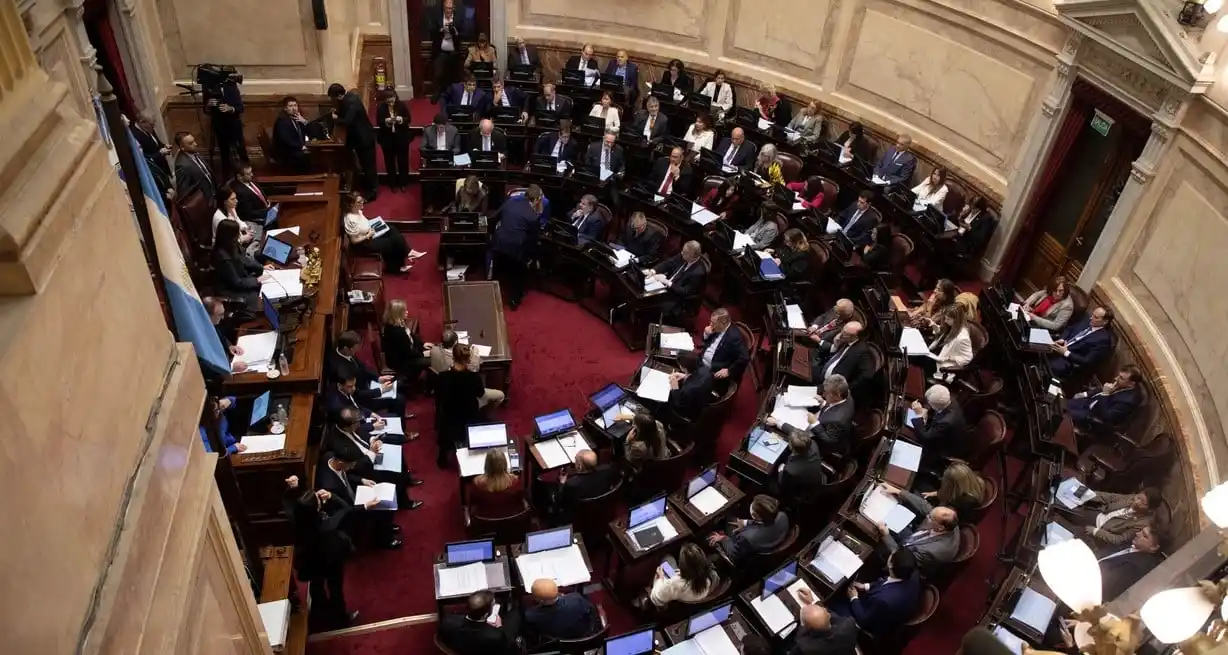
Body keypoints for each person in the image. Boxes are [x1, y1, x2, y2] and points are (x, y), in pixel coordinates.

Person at [284, 475, 357, 628]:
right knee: (335, 588)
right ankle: (340, 618)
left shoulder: (296, 518)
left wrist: (295, 489)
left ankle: (320, 614)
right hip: (329, 560)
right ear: (317, 508)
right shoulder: (327, 526)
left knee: (316, 586)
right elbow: (346, 509)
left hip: (309, 561)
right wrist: (333, 496)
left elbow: (290, 502)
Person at [316, 449, 405, 548]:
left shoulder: (331, 457)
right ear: (341, 462)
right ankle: (384, 540)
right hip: (348, 511)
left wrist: (362, 480)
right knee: (383, 507)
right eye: (351, 465)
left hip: (352, 494)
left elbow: (347, 475)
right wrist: (365, 506)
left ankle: (385, 527)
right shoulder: (329, 485)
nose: (352, 467)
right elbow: (344, 510)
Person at [831, 548, 921, 634]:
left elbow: (864, 620)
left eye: (892, 554)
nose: (891, 553)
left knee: (833, 603)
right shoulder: (912, 572)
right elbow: (888, 579)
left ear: (891, 564)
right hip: (880, 604)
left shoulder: (884, 599)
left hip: (869, 619)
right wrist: (866, 586)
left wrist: (854, 598)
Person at [877, 486, 960, 573]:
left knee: (878, 548)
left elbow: (902, 559)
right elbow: (925, 506)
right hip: (912, 539)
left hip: (904, 558)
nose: (927, 516)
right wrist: (899, 492)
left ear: (940, 527)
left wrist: (886, 535)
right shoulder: (950, 521)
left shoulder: (931, 551)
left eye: (930, 518)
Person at [770, 374, 855, 457]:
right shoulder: (847, 394)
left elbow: (827, 440)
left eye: (827, 393)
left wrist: (814, 423)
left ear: (837, 396)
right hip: (823, 421)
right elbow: (832, 408)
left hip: (819, 443)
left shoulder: (838, 419)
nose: (823, 395)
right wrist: (824, 403)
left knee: (776, 429)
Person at [327, 330, 409, 415]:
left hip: (367, 386)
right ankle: (398, 424)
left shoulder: (345, 352)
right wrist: (380, 390)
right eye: (355, 348)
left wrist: (378, 378)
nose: (357, 350)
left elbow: (363, 367)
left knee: (399, 383)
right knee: (398, 399)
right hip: (362, 399)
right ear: (346, 348)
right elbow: (355, 394)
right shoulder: (341, 370)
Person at [490, 184, 542, 309]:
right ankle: (514, 300)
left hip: (499, 243)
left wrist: (492, 235)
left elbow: (494, 218)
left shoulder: (510, 202)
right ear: (535, 200)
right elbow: (533, 240)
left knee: (498, 271)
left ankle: (492, 294)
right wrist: (532, 258)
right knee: (518, 274)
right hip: (516, 250)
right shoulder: (533, 216)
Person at [429, 330, 506, 410]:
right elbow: (480, 392)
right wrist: (475, 353)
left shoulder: (434, 351)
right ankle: (485, 414)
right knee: (500, 395)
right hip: (467, 404)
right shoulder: (473, 376)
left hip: (447, 398)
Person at [327, 83, 379, 200]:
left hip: (364, 139)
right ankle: (368, 186)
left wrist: (336, 119)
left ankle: (373, 192)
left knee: (368, 166)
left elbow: (347, 121)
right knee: (364, 165)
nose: (333, 100)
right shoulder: (349, 98)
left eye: (333, 98)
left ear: (339, 95)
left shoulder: (352, 102)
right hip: (358, 139)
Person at [707, 494, 790, 566]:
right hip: (769, 540)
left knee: (711, 534)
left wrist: (723, 539)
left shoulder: (746, 537)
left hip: (748, 555)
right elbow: (765, 522)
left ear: (755, 515)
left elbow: (735, 554)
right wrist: (746, 523)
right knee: (731, 519)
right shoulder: (783, 516)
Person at [342, 193, 413, 274]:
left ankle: (408, 252)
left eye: (362, 200)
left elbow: (363, 224)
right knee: (390, 243)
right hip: (364, 244)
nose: (362, 203)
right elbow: (354, 241)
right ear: (352, 204)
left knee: (391, 229)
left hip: (370, 232)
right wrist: (367, 235)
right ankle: (395, 268)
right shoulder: (350, 220)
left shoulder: (358, 211)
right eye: (359, 202)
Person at [437, 589, 520, 655]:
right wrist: (499, 626)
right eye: (493, 604)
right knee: (515, 616)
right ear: (485, 615)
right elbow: (509, 650)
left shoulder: (447, 621)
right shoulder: (496, 635)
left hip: (461, 648)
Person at [1076, 487, 1161, 550]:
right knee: (1069, 503)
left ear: (1150, 509)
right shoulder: (1133, 497)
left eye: (1143, 502)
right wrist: (1086, 494)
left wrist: (1095, 531)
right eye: (1138, 498)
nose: (1136, 502)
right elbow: (1110, 497)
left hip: (1102, 531)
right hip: (1098, 514)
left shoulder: (1143, 523)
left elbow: (1120, 539)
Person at [1067, 365, 1144, 433]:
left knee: (1064, 413)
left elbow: (1107, 416)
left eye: (1121, 378)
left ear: (1131, 384)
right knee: (1062, 403)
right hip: (1088, 403)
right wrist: (1086, 394)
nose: (1116, 378)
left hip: (1093, 416)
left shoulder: (1129, 401)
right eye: (1118, 375)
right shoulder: (1122, 384)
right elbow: (1103, 388)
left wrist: (1105, 394)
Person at [211, 219, 268, 311]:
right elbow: (236, 283)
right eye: (237, 233)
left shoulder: (232, 244)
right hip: (230, 289)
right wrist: (256, 280)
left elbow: (244, 260)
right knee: (257, 297)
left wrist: (262, 267)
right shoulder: (221, 257)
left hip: (242, 277)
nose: (240, 235)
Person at [646, 240, 707, 322]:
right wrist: (653, 271)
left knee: (652, 304)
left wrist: (667, 282)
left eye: (684, 252)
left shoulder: (698, 272)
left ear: (692, 256)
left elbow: (685, 291)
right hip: (666, 283)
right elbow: (668, 263)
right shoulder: (683, 256)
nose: (681, 253)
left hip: (677, 296)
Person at [1099, 524, 1165, 599]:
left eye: (1145, 536)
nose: (1137, 534)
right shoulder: (1134, 544)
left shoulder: (1136, 567)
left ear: (1154, 547)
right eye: (1141, 531)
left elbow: (1106, 585)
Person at [1048, 306, 1114, 379]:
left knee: (1046, 368)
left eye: (1096, 317)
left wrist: (1066, 353)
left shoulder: (1103, 339)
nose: (1091, 318)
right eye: (1092, 314)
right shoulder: (1086, 320)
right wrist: (1062, 339)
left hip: (1069, 361)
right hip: (1058, 347)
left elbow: (1087, 361)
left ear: (1105, 322)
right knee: (1035, 348)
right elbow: (1069, 329)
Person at [524, 579, 599, 641]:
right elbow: (590, 609)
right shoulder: (576, 598)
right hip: (583, 636)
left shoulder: (531, 616)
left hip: (557, 643)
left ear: (538, 599)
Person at [811, 322, 875, 394]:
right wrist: (836, 344)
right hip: (822, 372)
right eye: (842, 330)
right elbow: (833, 353)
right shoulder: (845, 340)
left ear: (854, 337)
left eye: (845, 333)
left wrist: (845, 390)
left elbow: (867, 376)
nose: (841, 335)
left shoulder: (863, 351)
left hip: (832, 386)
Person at [380, 299, 431, 389]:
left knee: (430, 354)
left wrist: (422, 344)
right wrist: (422, 353)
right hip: (401, 361)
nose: (407, 312)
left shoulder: (397, 323)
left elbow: (411, 335)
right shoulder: (397, 332)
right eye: (404, 311)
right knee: (430, 361)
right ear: (397, 314)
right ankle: (426, 386)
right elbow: (407, 352)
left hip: (406, 354)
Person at [790, 589, 859, 655]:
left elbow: (800, 635)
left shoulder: (805, 646)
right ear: (829, 615)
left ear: (804, 627)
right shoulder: (848, 625)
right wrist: (813, 602)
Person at [648, 542, 718, 606]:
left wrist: (660, 578)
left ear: (682, 566)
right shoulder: (710, 577)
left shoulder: (672, 583)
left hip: (679, 589)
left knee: (667, 558)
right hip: (692, 593)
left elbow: (656, 600)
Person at [908, 385, 967, 455]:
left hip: (943, 449)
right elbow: (937, 410)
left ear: (935, 407)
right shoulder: (948, 399)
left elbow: (925, 437)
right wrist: (926, 411)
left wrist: (919, 415)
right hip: (945, 433)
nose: (928, 405)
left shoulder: (946, 422)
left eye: (930, 404)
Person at [701, 308, 749, 390]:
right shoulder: (716, 327)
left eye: (713, 323)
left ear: (723, 323)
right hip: (701, 359)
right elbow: (706, 342)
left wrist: (729, 371)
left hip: (712, 368)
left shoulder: (734, 337)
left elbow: (745, 358)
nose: (710, 325)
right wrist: (706, 334)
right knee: (681, 356)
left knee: (691, 388)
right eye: (711, 322)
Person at [470, 449, 526, 519]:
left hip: (486, 526)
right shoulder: (515, 481)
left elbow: (473, 504)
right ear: (505, 464)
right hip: (512, 522)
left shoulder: (477, 484)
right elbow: (521, 500)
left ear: (487, 465)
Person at [557, 449, 618, 514]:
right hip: (603, 504)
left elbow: (563, 500)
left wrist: (562, 483)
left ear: (580, 466)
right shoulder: (608, 469)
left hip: (580, 512)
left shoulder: (572, 483)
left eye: (576, 460)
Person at [428, 0, 465, 101]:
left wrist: (456, 32)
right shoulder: (438, 17)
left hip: (454, 51)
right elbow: (430, 31)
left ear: (453, 8)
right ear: (443, 8)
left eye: (450, 8)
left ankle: (454, 96)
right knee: (438, 74)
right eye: (447, 8)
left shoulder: (458, 17)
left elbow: (464, 33)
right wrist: (440, 30)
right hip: (440, 51)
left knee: (454, 76)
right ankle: (437, 94)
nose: (449, 10)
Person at [375, 89, 412, 191]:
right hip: (387, 138)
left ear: (395, 97)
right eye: (389, 101)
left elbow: (408, 118)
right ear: (385, 99)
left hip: (401, 137)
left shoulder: (401, 105)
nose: (391, 103)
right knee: (389, 162)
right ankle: (393, 184)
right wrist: (386, 121)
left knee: (403, 161)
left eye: (392, 100)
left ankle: (403, 183)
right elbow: (379, 122)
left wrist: (401, 120)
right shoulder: (381, 107)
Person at [922, 462, 986, 518]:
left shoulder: (959, 502)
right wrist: (933, 493)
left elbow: (941, 512)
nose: (942, 479)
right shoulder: (975, 481)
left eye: (945, 479)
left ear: (954, 485)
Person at [775, 431, 828, 501]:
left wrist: (781, 470)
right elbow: (801, 438)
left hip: (801, 492)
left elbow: (783, 486)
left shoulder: (791, 470)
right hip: (814, 478)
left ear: (790, 447)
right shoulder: (813, 444)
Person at [211, 185, 260, 254]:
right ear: (224, 201)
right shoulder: (220, 219)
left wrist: (246, 228)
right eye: (232, 199)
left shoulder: (230, 207)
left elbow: (237, 220)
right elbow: (227, 244)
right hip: (227, 250)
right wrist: (243, 239)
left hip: (237, 237)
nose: (236, 201)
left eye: (235, 198)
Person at [668, 351, 715, 420]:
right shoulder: (706, 370)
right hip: (704, 400)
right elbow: (698, 378)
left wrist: (675, 388)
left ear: (683, 368)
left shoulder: (687, 390)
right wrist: (685, 376)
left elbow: (679, 407)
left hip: (691, 414)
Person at [173, 131, 216, 205]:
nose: (195, 144)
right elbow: (184, 191)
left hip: (212, 195)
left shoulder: (194, 153)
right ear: (182, 147)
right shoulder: (182, 166)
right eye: (190, 143)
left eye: (194, 141)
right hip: (204, 203)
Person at [927, 305, 974, 371]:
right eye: (945, 318)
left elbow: (967, 358)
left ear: (956, 320)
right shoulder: (950, 326)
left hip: (940, 364)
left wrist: (948, 358)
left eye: (948, 319)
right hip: (933, 354)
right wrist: (935, 327)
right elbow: (942, 336)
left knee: (914, 361)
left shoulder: (963, 338)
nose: (945, 321)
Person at [272, 96, 311, 172]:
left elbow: (308, 132)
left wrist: (304, 121)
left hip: (295, 149)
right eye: (290, 106)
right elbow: (286, 140)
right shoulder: (282, 121)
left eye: (295, 105)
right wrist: (301, 147)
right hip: (286, 153)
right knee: (306, 157)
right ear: (285, 108)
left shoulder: (297, 118)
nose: (294, 108)